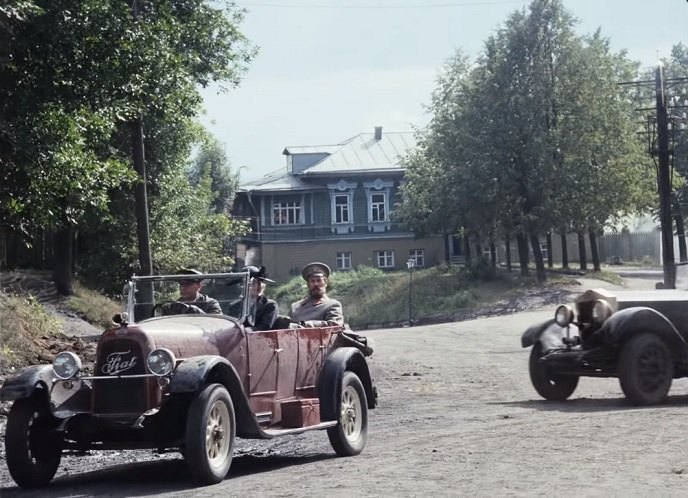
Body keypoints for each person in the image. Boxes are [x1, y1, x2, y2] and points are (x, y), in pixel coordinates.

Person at [290, 262, 344, 327]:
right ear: (308, 285)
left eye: (319, 280)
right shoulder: (295, 307)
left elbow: (334, 325)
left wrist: (305, 325)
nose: (316, 284)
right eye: (312, 281)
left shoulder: (333, 305)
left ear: (325, 283)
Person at [243, 265, 279, 330]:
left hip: (262, 338)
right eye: (253, 283)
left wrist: (250, 330)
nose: (258, 286)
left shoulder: (270, 305)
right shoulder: (235, 306)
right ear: (244, 285)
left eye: (259, 283)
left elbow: (265, 326)